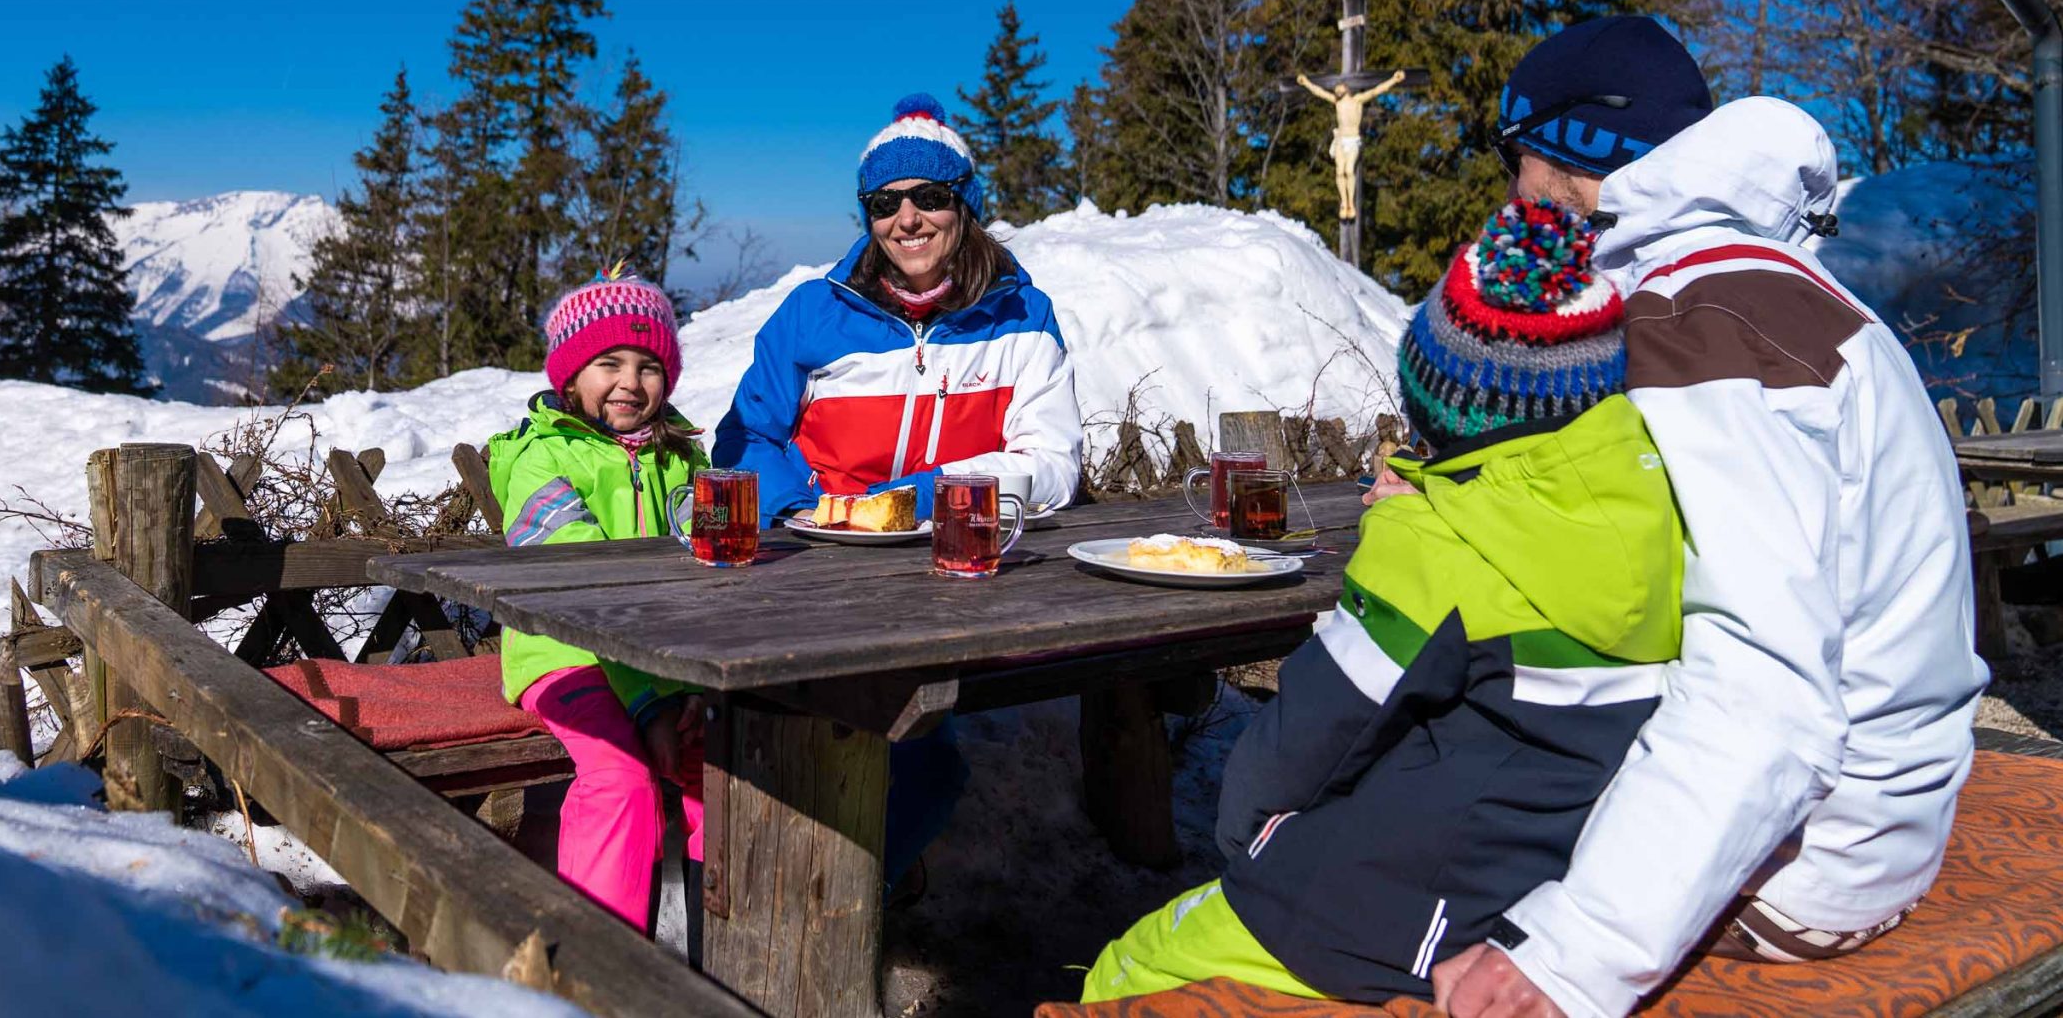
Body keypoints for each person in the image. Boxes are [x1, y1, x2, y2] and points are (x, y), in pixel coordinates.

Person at [1433, 16, 1987, 1018]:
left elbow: (1762, 684)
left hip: (1806, 858)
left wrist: (1572, 958)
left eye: (1516, 160)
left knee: (1382, 790)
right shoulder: (1756, 288)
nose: (1512, 197)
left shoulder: (1698, 317)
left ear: (1563, 149)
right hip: (1881, 811)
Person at [1082, 199, 1682, 1003]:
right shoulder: (1656, 507)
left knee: (1128, 967)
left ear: (1436, 400)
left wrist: (1252, 846)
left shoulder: (1432, 548)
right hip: (1548, 883)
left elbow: (1304, 741)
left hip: (1390, 913)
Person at [713, 92, 1084, 881]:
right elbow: (745, 437)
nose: (907, 218)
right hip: (814, 569)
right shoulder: (813, 313)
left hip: (949, 573)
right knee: (813, 729)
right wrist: (804, 506)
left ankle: (846, 896)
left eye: (929, 196)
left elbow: (1052, 462)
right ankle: (814, 891)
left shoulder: (1022, 315)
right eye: (885, 203)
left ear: (965, 205)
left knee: (920, 763)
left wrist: (934, 492)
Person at [489, 267, 706, 934]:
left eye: (649, 366)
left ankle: (729, 956)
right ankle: (596, 960)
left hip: (662, 656)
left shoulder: (682, 459)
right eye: (609, 363)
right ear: (571, 376)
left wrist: (692, 685)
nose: (630, 382)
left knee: (725, 771)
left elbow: (708, 572)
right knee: (621, 777)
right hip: (564, 654)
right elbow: (582, 594)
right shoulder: (540, 461)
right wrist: (650, 703)